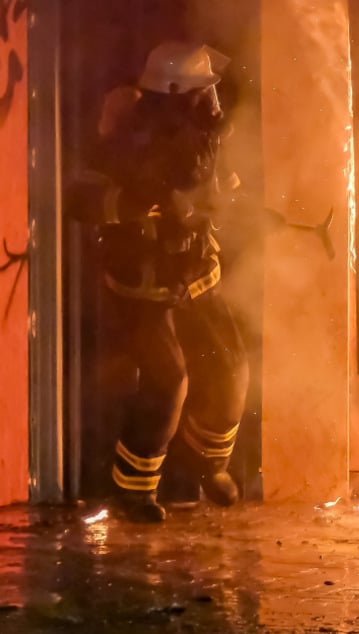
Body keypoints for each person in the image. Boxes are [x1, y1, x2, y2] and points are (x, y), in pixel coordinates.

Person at [67, 41, 249, 523]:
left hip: (197, 274)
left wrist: (222, 206)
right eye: (201, 92)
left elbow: (224, 190)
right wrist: (141, 205)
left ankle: (208, 463)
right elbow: (81, 200)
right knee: (169, 381)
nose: (211, 100)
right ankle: (134, 491)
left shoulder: (205, 135)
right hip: (143, 284)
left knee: (231, 369)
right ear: (175, 94)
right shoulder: (126, 139)